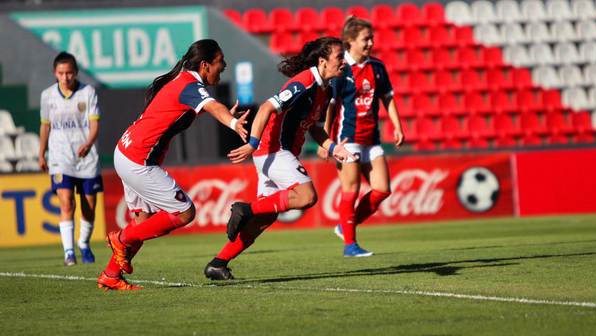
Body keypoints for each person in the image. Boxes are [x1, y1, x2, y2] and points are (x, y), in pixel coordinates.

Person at [97, 39, 249, 291]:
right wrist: (233, 123)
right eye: (220, 60)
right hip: (139, 158)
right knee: (185, 212)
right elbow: (213, 106)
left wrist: (229, 116)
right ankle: (120, 239)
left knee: (143, 222)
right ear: (205, 65)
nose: (224, 65)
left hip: (125, 150)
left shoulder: (182, 82)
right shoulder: (189, 84)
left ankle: (111, 274)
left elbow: (198, 109)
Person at [204, 37, 355, 280]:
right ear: (322, 61)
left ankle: (218, 263)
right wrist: (252, 144)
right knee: (306, 196)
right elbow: (265, 108)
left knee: (264, 219)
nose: (344, 61)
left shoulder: (325, 89)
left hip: (277, 153)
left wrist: (333, 146)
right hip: (273, 150)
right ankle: (246, 209)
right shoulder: (305, 82)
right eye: (340, 57)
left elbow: (315, 128)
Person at [318, 16, 405, 257]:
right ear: (351, 41)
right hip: (347, 139)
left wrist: (398, 126)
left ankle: (345, 226)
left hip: (372, 138)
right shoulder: (341, 69)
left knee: (383, 189)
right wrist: (326, 141)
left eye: (371, 38)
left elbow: (387, 97)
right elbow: (331, 107)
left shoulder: (377, 67)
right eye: (366, 39)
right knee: (351, 190)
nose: (370, 43)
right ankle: (350, 245)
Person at [39, 52, 103, 266]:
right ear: (55, 73)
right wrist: (41, 153)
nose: (65, 77)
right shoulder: (48, 95)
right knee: (67, 203)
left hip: (86, 157)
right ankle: (69, 253)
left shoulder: (87, 92)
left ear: (75, 72)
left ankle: (83, 243)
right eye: (60, 73)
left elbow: (94, 122)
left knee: (89, 205)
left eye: (69, 73)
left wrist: (89, 142)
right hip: (60, 157)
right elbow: (45, 126)